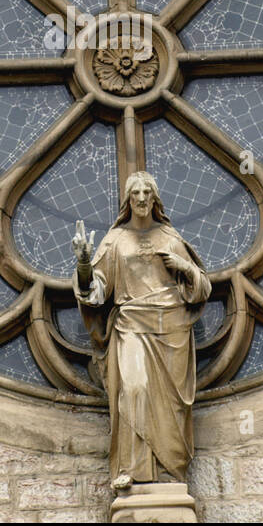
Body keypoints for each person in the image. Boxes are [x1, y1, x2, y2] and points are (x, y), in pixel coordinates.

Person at [72, 170, 211, 490]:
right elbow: (96, 292)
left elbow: (201, 290)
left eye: (148, 191)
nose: (142, 197)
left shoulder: (171, 238)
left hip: (172, 330)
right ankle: (132, 470)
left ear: (156, 197)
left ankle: (168, 472)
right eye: (136, 192)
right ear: (127, 199)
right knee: (134, 389)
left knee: (170, 409)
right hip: (131, 325)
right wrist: (83, 265)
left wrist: (185, 268)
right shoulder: (115, 240)